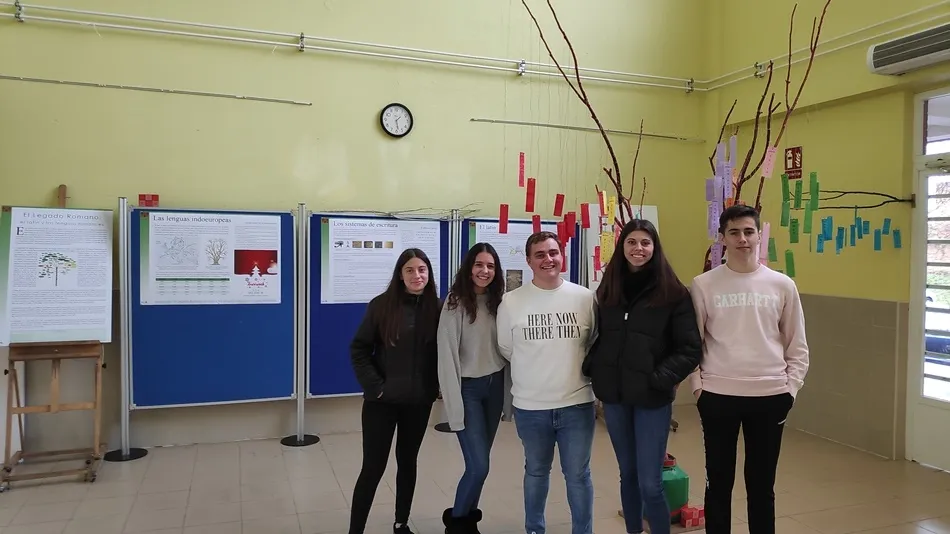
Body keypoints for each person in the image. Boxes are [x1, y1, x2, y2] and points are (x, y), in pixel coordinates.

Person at [689, 204, 809, 534]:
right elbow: (693, 344)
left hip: (770, 396)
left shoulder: (782, 285)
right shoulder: (703, 284)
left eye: (749, 231)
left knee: (761, 486)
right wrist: (698, 387)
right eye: (734, 232)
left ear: (759, 235)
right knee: (719, 483)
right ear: (722, 238)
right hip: (717, 395)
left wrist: (791, 388)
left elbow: (797, 343)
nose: (743, 239)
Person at [582, 219, 702, 534]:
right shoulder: (609, 288)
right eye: (632, 242)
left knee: (650, 482)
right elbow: (602, 337)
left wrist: (659, 379)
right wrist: (595, 367)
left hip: (652, 400)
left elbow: (690, 349)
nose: (638, 249)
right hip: (616, 398)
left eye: (645, 243)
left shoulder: (673, 292)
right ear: (622, 247)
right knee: (629, 476)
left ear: (655, 248)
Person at [497, 231, 598, 534]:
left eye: (553, 252)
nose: (548, 259)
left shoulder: (584, 297)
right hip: (531, 407)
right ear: (528, 261)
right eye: (539, 254)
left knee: (578, 476)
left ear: (562, 256)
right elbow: (506, 348)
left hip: (577, 404)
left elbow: (592, 341)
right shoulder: (511, 302)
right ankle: (534, 529)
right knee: (537, 472)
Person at [348, 248, 442, 534]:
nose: (417, 275)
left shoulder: (438, 309)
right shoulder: (381, 305)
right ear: (400, 275)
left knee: (407, 462)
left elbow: (446, 352)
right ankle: (356, 530)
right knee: (373, 468)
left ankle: (401, 523)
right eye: (410, 270)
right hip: (382, 403)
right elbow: (359, 349)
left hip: (418, 402)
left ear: (429, 273)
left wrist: (434, 388)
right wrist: (376, 388)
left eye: (422, 270)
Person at [437, 243, 510, 534]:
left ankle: (468, 522)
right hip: (467, 390)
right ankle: (456, 523)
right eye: (479, 265)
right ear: (469, 268)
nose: (484, 271)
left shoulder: (500, 302)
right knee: (478, 466)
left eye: (491, 266)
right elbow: (446, 357)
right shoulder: (455, 303)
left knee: (482, 464)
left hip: (494, 389)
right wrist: (452, 404)